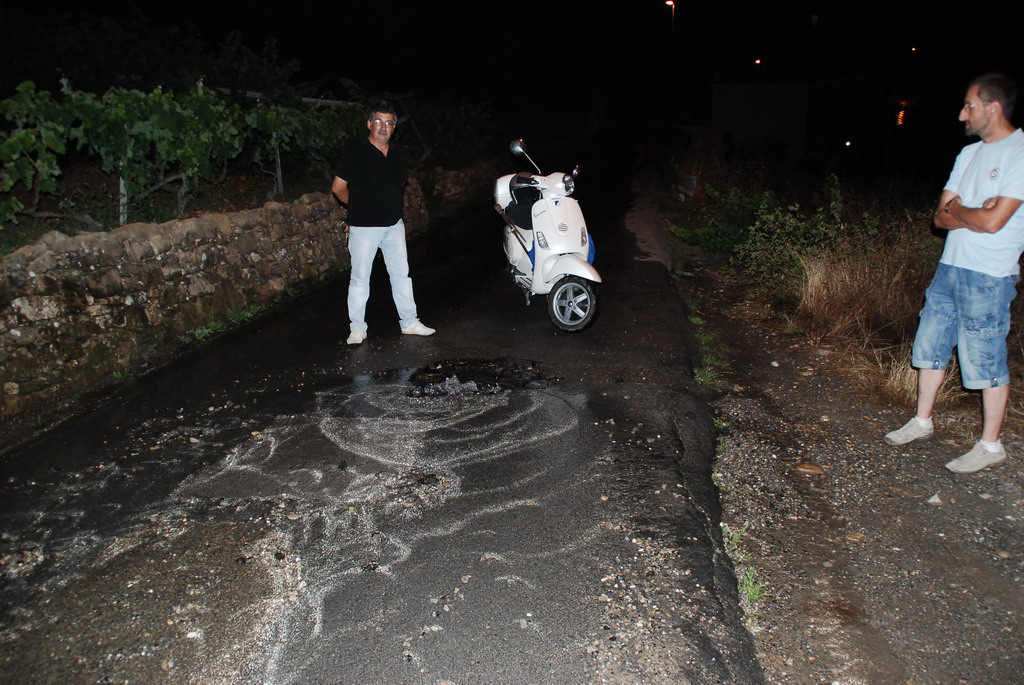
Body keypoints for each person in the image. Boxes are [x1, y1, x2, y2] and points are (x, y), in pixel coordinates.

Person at [884, 73, 1024, 473]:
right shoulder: (969, 155)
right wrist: (972, 212)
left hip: (990, 274)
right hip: (951, 265)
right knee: (930, 345)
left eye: (969, 105)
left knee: (985, 356)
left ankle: (991, 444)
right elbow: (940, 217)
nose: (963, 113)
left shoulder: (1019, 153)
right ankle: (921, 421)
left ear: (992, 107)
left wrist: (964, 211)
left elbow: (995, 223)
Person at [331, 103, 435, 345]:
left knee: (401, 275)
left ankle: (409, 322)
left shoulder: (397, 154)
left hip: (393, 225)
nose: (383, 127)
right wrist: (357, 208)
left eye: (389, 123)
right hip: (364, 227)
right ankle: (357, 328)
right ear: (369, 124)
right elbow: (338, 188)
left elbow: (397, 186)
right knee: (360, 278)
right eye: (378, 121)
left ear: (394, 128)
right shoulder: (356, 151)